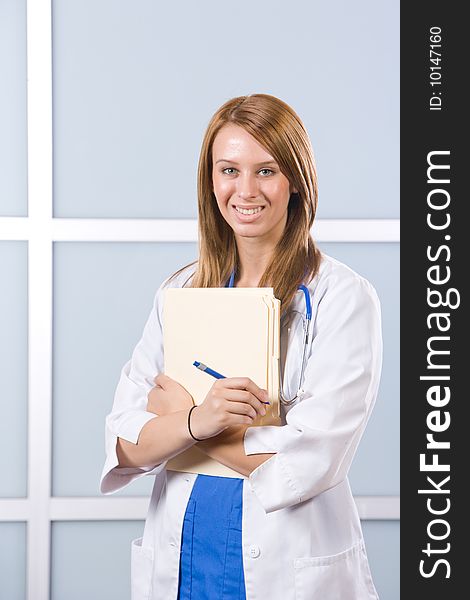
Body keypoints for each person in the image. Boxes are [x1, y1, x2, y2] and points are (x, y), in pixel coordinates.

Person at [100, 94, 383, 600]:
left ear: (296, 180)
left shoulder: (342, 297)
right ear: (211, 181)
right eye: (229, 169)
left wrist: (189, 427)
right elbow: (124, 445)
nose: (245, 190)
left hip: (287, 562)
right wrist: (192, 422)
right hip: (186, 555)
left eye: (266, 170)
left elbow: (311, 461)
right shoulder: (181, 292)